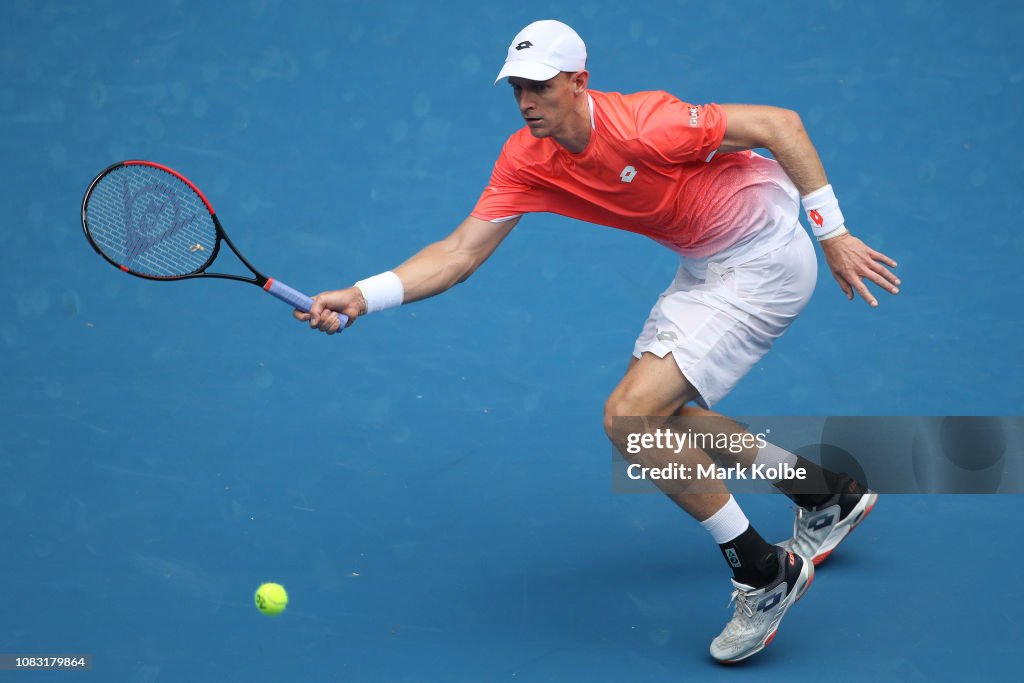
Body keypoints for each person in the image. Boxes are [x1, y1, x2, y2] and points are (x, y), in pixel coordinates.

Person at [296, 20, 899, 663]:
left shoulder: (647, 124)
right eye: (517, 88)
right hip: (707, 263)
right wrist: (362, 294)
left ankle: (763, 572)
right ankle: (824, 493)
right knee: (661, 419)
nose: (526, 102)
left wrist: (833, 233)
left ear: (579, 82)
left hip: (763, 259)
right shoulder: (526, 158)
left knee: (630, 418)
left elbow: (782, 125)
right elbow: (459, 252)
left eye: (540, 87)